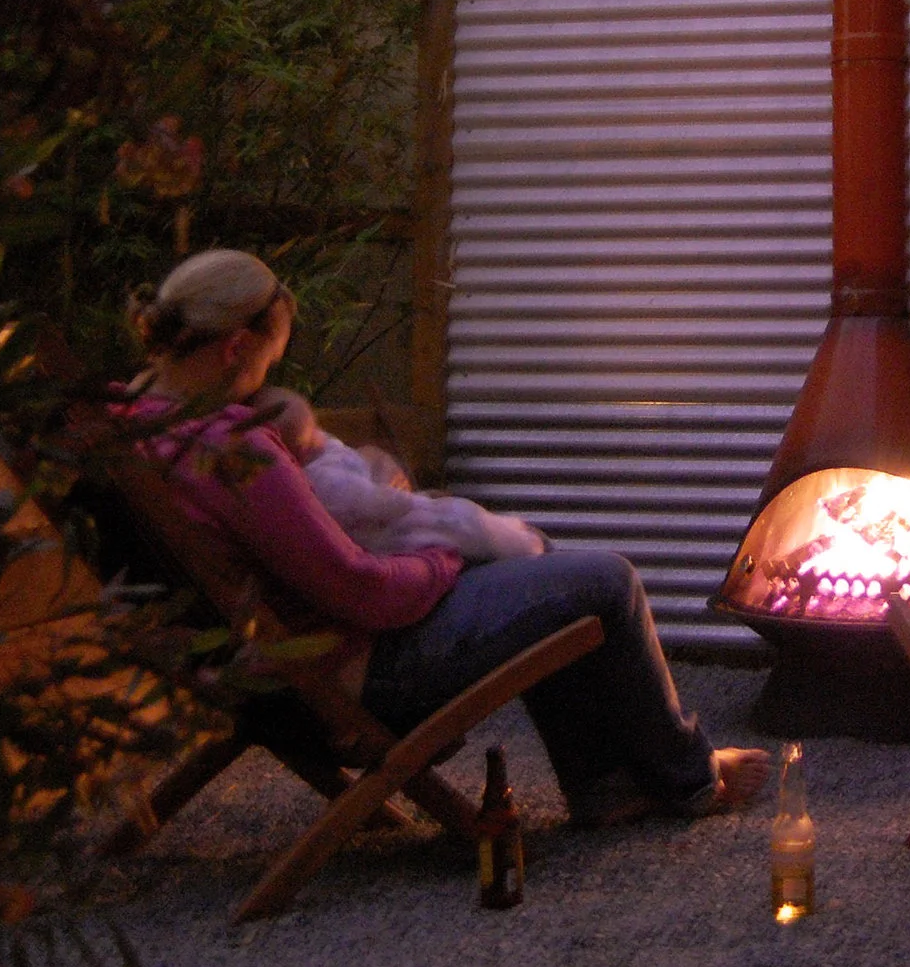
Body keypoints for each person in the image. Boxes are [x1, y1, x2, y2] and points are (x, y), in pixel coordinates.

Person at [122, 248, 767, 823]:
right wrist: (442, 558)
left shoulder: (130, 429)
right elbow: (360, 590)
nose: (262, 386)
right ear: (236, 347)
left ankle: (607, 785)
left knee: (546, 584)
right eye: (265, 363)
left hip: (270, 675)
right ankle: (691, 777)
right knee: (606, 580)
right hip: (353, 677)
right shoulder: (234, 453)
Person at [248, 386, 547, 565]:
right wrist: (402, 499)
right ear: (291, 457)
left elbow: (354, 461)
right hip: (395, 536)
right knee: (458, 524)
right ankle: (523, 545)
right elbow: (371, 503)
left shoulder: (319, 450)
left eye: (316, 428)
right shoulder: (320, 482)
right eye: (309, 441)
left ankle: (521, 539)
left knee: (456, 516)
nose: (320, 440)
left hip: (400, 520)